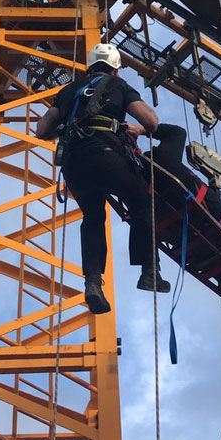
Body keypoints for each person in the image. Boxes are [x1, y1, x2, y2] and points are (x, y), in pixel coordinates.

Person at [36, 43, 171, 315]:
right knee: (142, 202)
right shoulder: (118, 86)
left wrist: (68, 127)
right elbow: (152, 122)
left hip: (74, 165)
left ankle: (93, 283)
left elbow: (42, 131)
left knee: (93, 217)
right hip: (106, 155)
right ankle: (149, 271)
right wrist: (136, 127)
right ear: (116, 68)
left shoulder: (68, 91)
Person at [127, 122, 221, 277]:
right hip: (220, 225)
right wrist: (141, 129)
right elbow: (178, 132)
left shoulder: (131, 187)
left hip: (194, 242)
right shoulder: (162, 159)